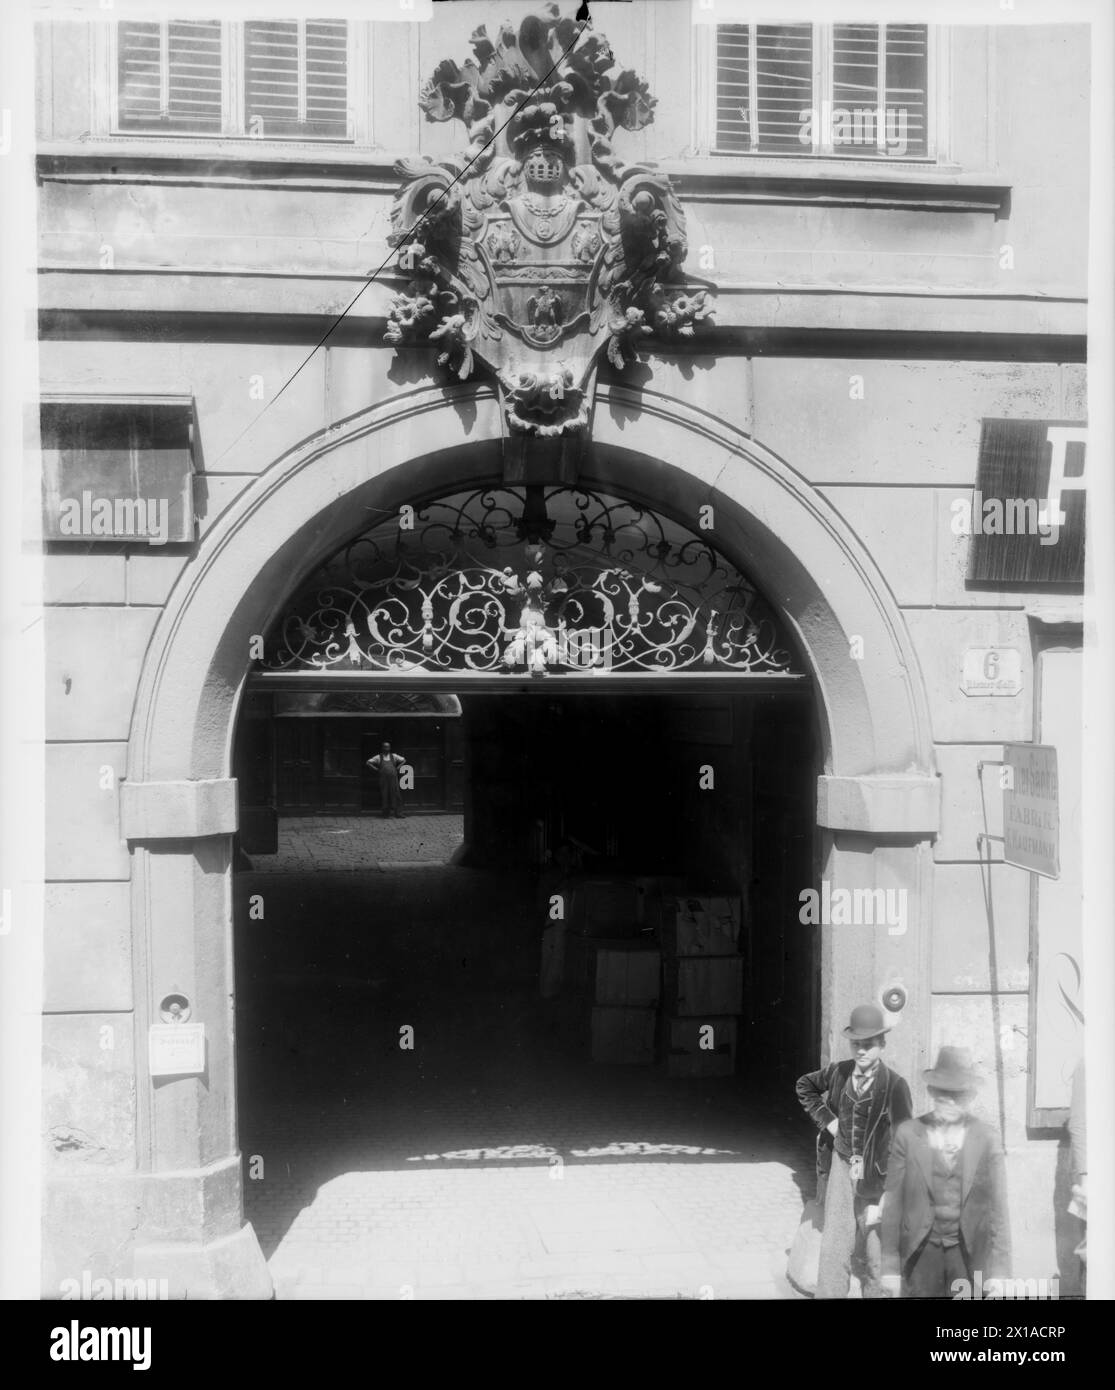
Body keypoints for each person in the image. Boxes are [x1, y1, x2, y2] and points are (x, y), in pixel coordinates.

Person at [796, 1003, 912, 1298]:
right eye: (856, 1044)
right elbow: (804, 1086)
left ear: (882, 1045)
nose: (861, 1051)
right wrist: (829, 1122)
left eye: (869, 1045)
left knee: (877, 1245)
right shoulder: (839, 1072)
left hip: (877, 1177)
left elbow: (904, 1142)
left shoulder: (896, 1086)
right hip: (841, 1165)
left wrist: (891, 1192)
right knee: (835, 1242)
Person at [880, 1045, 1011, 1298]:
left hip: (969, 1256)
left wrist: (1001, 1272)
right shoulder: (908, 1134)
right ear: (931, 1091)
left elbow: (999, 1209)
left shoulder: (986, 1138)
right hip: (920, 1254)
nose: (950, 1100)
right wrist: (889, 1268)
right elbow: (893, 1204)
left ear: (970, 1096)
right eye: (943, 1092)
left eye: (958, 1094)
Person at [366, 741, 406, 818]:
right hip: (383, 779)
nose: (386, 748)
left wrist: (398, 767)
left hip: (393, 779)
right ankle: (385, 814)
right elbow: (368, 762)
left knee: (396, 794)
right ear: (382, 748)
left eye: (388, 747)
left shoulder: (394, 756)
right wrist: (376, 769)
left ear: (390, 748)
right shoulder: (378, 757)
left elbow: (404, 760)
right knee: (385, 795)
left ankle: (398, 813)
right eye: (385, 747)